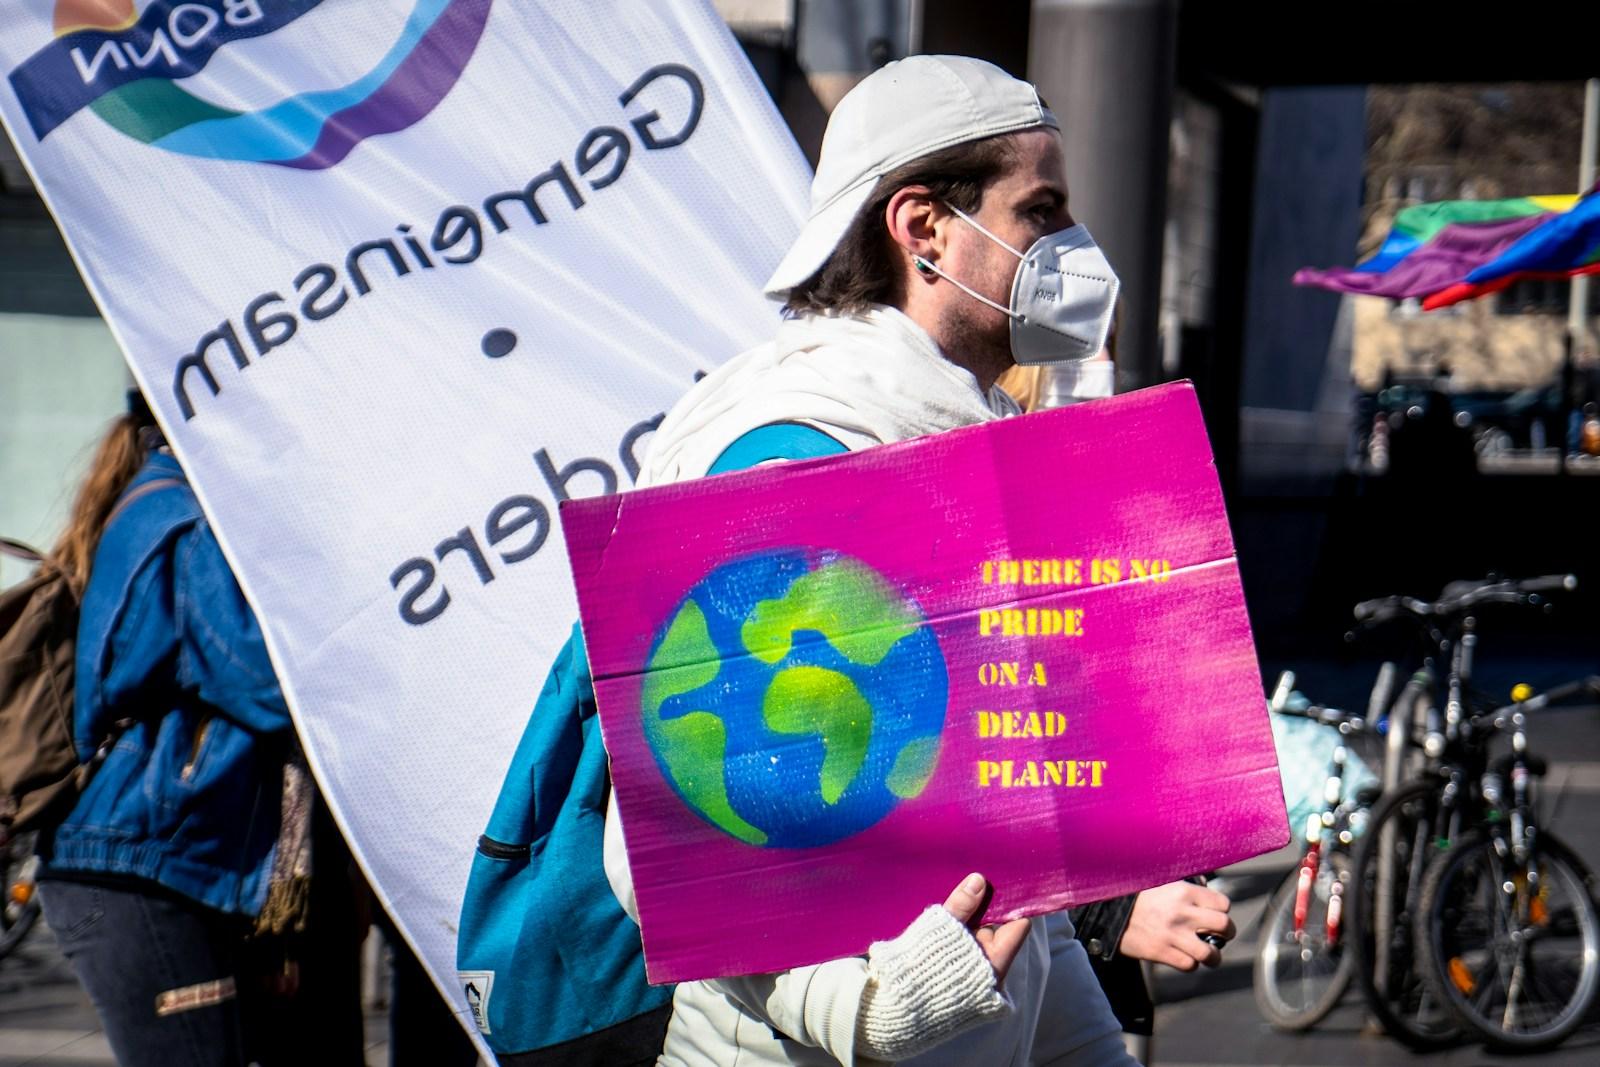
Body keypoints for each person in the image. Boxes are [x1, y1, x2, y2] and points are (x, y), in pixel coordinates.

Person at [603, 54, 1157, 1066]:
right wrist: (861, 1006)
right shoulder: (785, 453)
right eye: (1039, 210)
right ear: (923, 228)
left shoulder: (954, 435)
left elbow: (1001, 798)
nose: (1072, 246)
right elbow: (685, 828)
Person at [34, 393, 361, 1065]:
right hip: (142, 869)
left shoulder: (171, 502)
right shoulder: (186, 521)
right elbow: (270, 681)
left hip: (161, 864)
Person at [999, 318, 1237, 1057]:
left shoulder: (1114, 535)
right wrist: (1107, 909)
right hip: (995, 990)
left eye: (1110, 345)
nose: (1102, 365)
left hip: (1112, 990)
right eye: (1078, 345)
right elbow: (959, 797)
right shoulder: (975, 544)